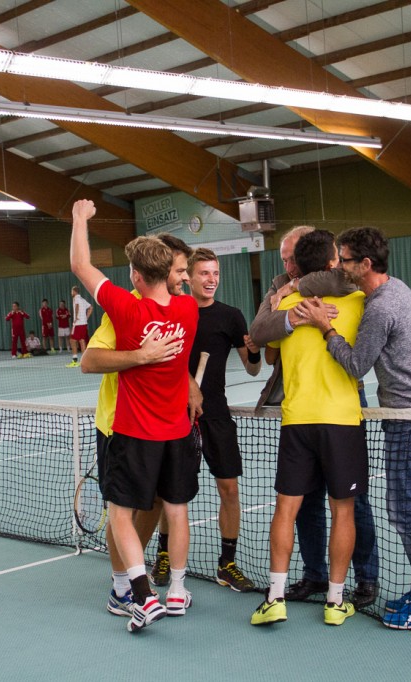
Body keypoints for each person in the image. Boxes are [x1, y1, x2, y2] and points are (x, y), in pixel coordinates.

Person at [293, 226, 411, 630]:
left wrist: (326, 328)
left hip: (409, 418)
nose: (339, 267)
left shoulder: (380, 308)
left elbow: (356, 365)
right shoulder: (399, 289)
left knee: (406, 509)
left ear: (365, 264)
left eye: (344, 260)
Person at [70, 198, 199, 633]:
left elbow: (81, 265)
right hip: (177, 433)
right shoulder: (188, 310)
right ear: (170, 273)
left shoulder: (126, 309)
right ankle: (176, 591)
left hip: (134, 432)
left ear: (136, 276)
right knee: (175, 510)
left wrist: (79, 219)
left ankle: (141, 595)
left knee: (120, 513)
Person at [249, 226, 380, 610]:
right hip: (321, 417)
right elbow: (261, 336)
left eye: (293, 259)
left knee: (334, 505)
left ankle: (357, 579)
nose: (288, 267)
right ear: (330, 259)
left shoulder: (299, 299)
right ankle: (325, 587)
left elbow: (261, 339)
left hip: (318, 415)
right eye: (284, 261)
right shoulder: (349, 298)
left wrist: (293, 298)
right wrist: (296, 314)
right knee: (324, 506)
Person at [181, 248, 261, 592]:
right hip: (176, 416)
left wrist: (254, 349)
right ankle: (165, 556)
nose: (211, 279)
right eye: (204, 273)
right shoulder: (176, 311)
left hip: (217, 415)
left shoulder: (231, 316)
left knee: (229, 490)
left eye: (215, 273)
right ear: (189, 277)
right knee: (172, 493)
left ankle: (227, 565)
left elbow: (253, 368)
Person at [68, 286, 93, 367]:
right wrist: (86, 317)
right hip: (84, 323)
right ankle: (84, 361)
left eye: (71, 291)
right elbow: (91, 308)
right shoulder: (83, 299)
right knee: (82, 341)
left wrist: (76, 317)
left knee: (72, 340)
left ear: (74, 291)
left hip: (78, 323)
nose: (71, 293)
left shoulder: (76, 298)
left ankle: (74, 360)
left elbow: (77, 306)